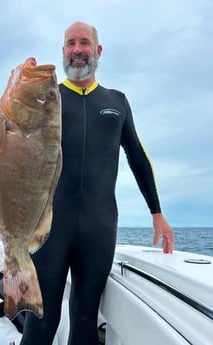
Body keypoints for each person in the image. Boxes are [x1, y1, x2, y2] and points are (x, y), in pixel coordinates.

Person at [20, 21, 174, 345]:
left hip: (100, 227)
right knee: (41, 320)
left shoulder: (117, 102)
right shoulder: (46, 99)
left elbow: (138, 157)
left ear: (98, 50)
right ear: (63, 51)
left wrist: (157, 213)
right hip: (49, 227)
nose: (78, 50)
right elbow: (16, 146)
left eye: (85, 43)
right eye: (71, 43)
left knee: (86, 316)